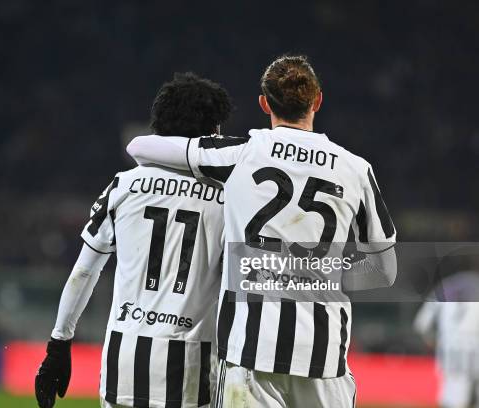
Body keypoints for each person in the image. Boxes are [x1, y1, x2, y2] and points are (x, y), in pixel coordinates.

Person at [126, 55, 397, 407]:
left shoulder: (242, 154)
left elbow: (140, 146)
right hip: (323, 354)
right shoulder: (356, 169)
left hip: (250, 351)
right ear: (317, 100)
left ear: (264, 103)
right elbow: (385, 270)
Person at [35, 72, 232, 408]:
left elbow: (84, 271)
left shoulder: (124, 185)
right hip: (190, 370)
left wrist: (59, 343)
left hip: (122, 365)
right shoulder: (227, 197)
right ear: (211, 133)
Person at [415, 270, 479, 408]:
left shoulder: (442, 289)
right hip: (475, 346)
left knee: (453, 395)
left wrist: (432, 341)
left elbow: (421, 325)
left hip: (450, 348)